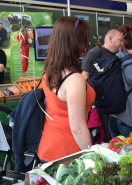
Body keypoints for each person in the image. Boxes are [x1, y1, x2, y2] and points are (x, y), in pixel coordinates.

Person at [36, 16, 95, 163]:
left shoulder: (50, 69)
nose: (88, 43)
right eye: (85, 39)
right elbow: (78, 128)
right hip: (68, 154)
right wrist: (92, 156)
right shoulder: (74, 79)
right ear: (74, 42)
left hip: (48, 146)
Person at [82, 29, 124, 143]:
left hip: (116, 108)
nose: (122, 43)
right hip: (100, 108)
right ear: (110, 39)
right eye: (120, 40)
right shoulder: (95, 53)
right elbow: (84, 76)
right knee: (104, 139)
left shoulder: (117, 57)